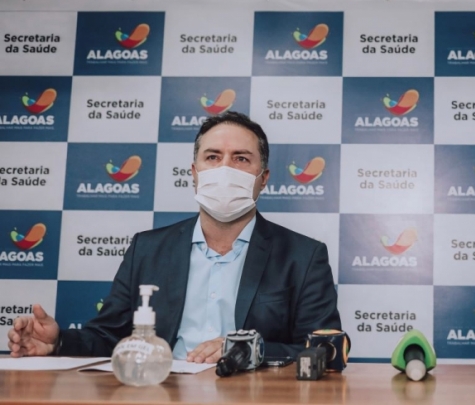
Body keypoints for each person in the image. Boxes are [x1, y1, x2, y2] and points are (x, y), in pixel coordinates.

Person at [8, 111, 341, 363]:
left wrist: (250, 350)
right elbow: (108, 336)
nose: (225, 169)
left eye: (241, 158)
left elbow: (326, 349)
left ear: (263, 178)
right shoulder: (147, 249)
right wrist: (58, 343)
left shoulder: (303, 256)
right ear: (194, 174)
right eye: (212, 157)